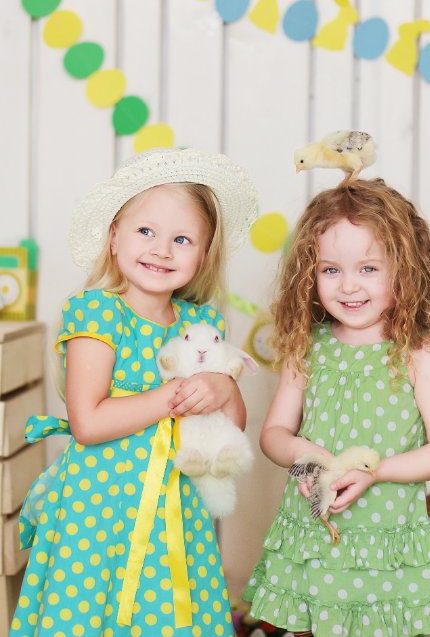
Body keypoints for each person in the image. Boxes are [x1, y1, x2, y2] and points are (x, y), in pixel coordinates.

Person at [10, 147, 258, 637]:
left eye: (182, 239)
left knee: (166, 616)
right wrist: (176, 394)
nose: (162, 250)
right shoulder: (98, 313)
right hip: (98, 509)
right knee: (92, 614)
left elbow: (230, 430)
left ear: (203, 255)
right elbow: (87, 422)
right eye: (146, 231)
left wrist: (223, 386)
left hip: (176, 510)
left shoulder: (199, 322)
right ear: (113, 237)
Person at [243, 177, 430, 637]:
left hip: (384, 544)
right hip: (313, 537)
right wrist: (302, 454)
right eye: (330, 270)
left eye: (368, 268)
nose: (348, 285)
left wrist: (376, 471)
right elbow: (273, 434)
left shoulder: (419, 353)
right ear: (309, 274)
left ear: (405, 269)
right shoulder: (307, 346)